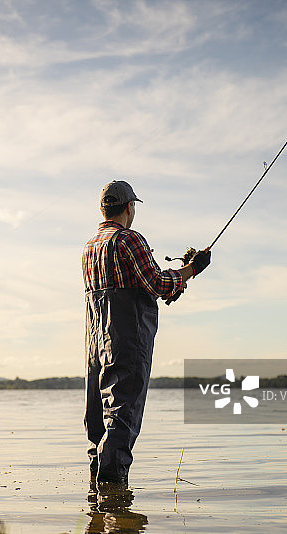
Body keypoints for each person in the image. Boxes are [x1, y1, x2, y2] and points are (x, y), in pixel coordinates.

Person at [82, 180, 210, 488]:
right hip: (126, 338)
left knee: (98, 416)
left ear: (102, 208)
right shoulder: (130, 239)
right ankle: (114, 498)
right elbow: (156, 284)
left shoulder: (89, 247)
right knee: (122, 413)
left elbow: (140, 286)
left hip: (95, 342)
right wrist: (193, 269)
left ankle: (96, 502)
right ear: (129, 207)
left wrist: (171, 282)